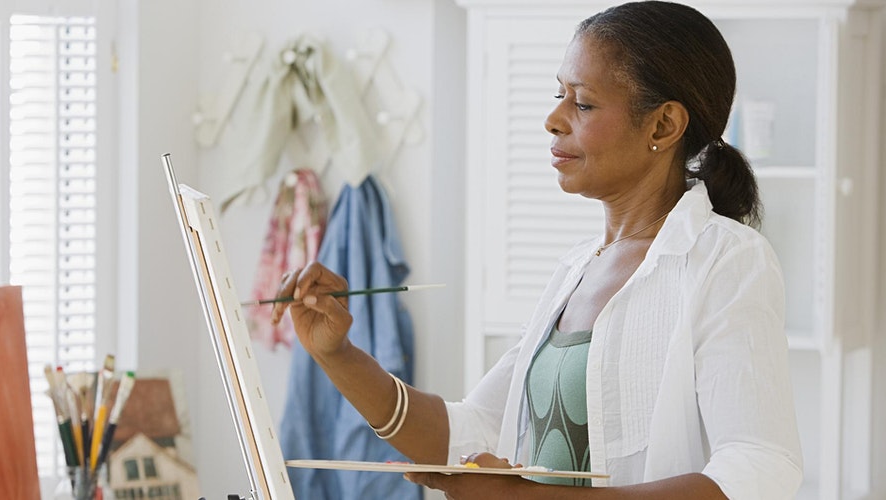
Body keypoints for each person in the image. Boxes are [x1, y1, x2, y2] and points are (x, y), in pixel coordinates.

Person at [271, 1, 803, 498]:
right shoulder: (576, 269)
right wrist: (337, 355)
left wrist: (528, 495)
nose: (554, 119)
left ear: (663, 124)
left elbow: (759, 467)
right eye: (559, 95)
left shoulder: (727, 260)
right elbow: (469, 433)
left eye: (584, 102)